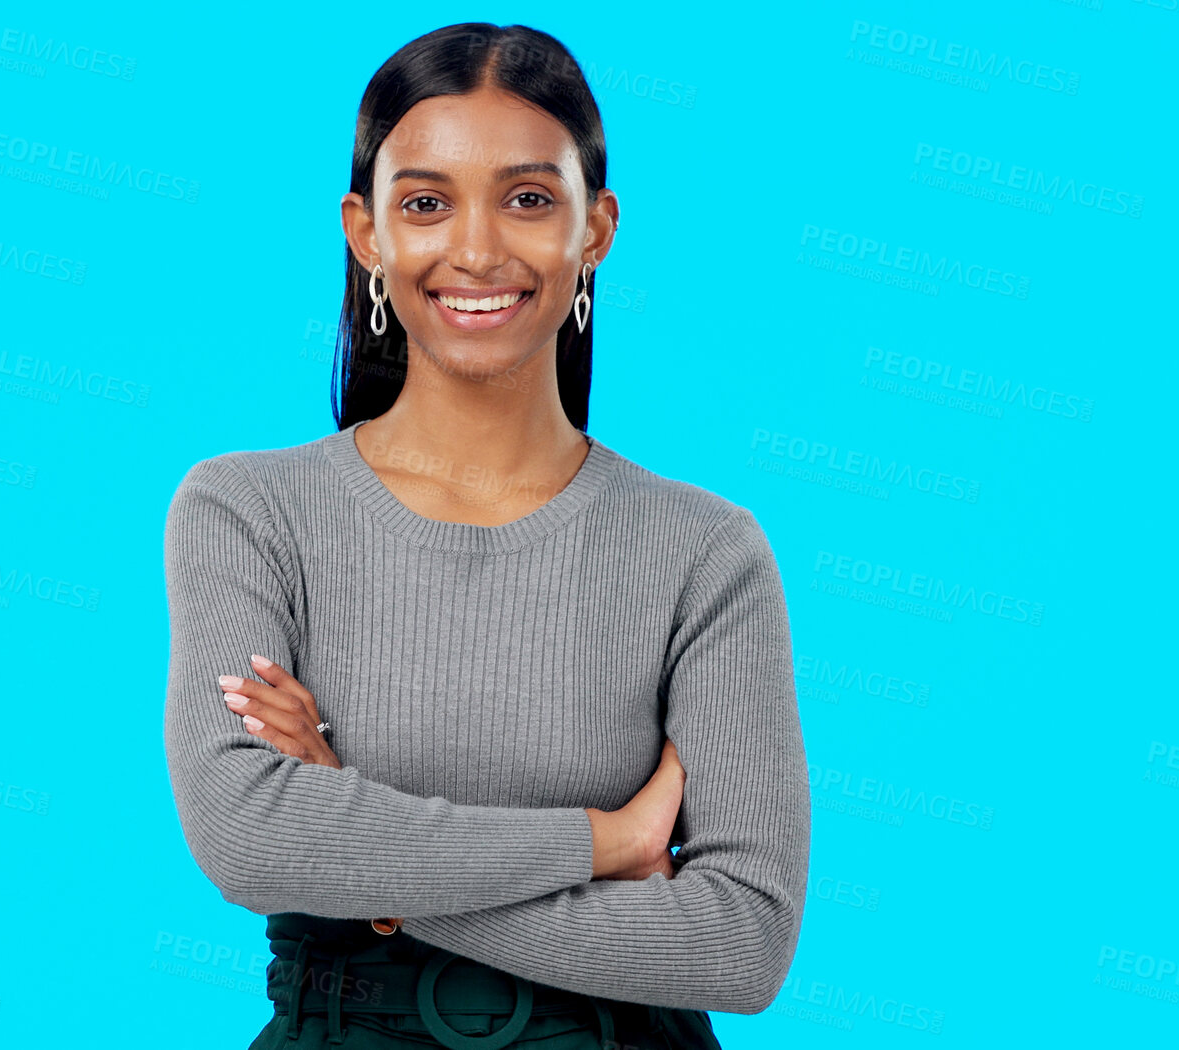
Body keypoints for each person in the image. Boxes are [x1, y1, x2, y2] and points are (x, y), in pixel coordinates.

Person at [162, 22, 809, 1049]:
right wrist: (606, 842)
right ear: (365, 231)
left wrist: (364, 855)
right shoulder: (249, 511)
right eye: (424, 203)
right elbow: (247, 839)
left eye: (527, 199)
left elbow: (740, 942)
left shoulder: (703, 552)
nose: (474, 249)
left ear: (593, 230)